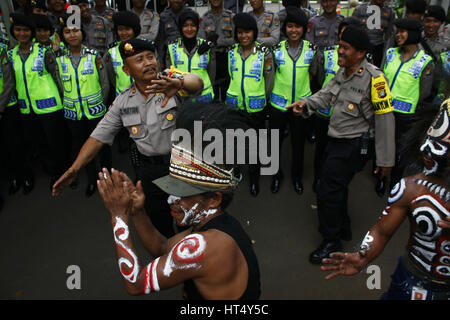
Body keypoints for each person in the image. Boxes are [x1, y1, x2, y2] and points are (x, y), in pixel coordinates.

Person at [96, 102, 261, 300]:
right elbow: (163, 248)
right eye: (172, 188)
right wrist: (137, 212)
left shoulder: (206, 246)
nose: (171, 199)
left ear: (213, 199)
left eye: (184, 194)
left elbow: (136, 284)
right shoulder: (209, 225)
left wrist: (118, 216)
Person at [52, 38, 204, 238]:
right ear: (126, 70)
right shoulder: (123, 102)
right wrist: (75, 168)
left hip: (181, 166)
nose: (148, 63)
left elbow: (197, 84)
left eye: (151, 57)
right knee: (159, 224)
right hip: (149, 172)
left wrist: (180, 82)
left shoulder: (170, 80)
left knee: (190, 222)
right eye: (139, 59)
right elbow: (98, 137)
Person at [321, 99, 450, 300]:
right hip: (411, 279)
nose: (427, 151)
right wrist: (363, 255)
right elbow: (381, 232)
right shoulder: (411, 188)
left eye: (441, 149)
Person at [287, 25, 395, 264]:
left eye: (345, 48)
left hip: (355, 144)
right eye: (340, 46)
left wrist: (386, 160)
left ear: (361, 53)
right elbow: (326, 94)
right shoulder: (343, 71)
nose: (340, 51)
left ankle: (331, 241)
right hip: (337, 140)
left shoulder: (375, 79)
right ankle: (343, 227)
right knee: (337, 185)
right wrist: (306, 103)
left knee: (327, 190)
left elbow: (385, 119)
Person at [9, 12, 67, 194]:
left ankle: (62, 173)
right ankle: (51, 169)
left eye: (26, 30)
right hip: (27, 108)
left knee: (56, 142)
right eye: (18, 30)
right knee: (39, 143)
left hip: (50, 107)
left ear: (31, 33)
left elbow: (58, 78)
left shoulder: (44, 52)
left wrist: (65, 100)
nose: (22, 34)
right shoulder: (11, 55)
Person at [55, 16, 111, 197]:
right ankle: (92, 179)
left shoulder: (94, 56)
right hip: (73, 113)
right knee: (81, 148)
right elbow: (60, 86)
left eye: (75, 30)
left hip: (95, 111)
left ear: (82, 33)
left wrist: (99, 103)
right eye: (67, 32)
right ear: (63, 35)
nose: (72, 35)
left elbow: (105, 85)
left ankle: (107, 179)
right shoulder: (60, 60)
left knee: (101, 147)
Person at [311, 17, 364, 193]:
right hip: (324, 111)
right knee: (321, 149)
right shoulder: (328, 53)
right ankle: (318, 178)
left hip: (345, 121)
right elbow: (319, 79)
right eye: (342, 34)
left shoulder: (362, 61)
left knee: (338, 161)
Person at [382, 18, 435, 190]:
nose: (398, 35)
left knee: (399, 151)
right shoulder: (390, 53)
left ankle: (394, 184)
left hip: (406, 115)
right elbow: (381, 78)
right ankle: (380, 179)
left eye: (402, 32)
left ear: (412, 34)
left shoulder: (425, 61)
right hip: (385, 110)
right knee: (383, 147)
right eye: (397, 31)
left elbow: (425, 92)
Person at [225, 13, 274, 197]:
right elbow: (230, 76)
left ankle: (254, 178)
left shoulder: (264, 53)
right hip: (235, 107)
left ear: (254, 33)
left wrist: (263, 99)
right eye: (240, 32)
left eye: (247, 32)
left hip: (255, 108)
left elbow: (269, 81)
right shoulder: (232, 52)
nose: (243, 36)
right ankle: (235, 172)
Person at [269, 7, 314, 195]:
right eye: (290, 26)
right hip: (278, 104)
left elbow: (313, 75)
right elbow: (270, 76)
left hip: (300, 105)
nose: (293, 30)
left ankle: (296, 177)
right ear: (285, 28)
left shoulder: (311, 51)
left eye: (297, 27)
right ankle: (276, 176)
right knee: (274, 143)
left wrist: (305, 98)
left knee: (298, 144)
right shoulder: (276, 50)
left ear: (303, 29)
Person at [167, 10, 216, 103]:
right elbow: (169, 72)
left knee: (200, 118)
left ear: (197, 27)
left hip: (203, 97)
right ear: (180, 27)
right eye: (185, 25)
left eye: (193, 25)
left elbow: (212, 74)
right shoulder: (172, 47)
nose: (189, 29)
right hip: (180, 97)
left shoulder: (206, 46)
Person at [0, 35, 24, 196]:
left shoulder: (2, 50)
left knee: (13, 145)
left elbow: (9, 81)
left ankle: (21, 176)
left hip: (6, 105)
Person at [198, 0, 234, 102]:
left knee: (226, 88)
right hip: (211, 58)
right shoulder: (205, 18)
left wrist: (218, 42)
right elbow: (201, 39)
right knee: (212, 86)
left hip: (227, 56)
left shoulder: (231, 17)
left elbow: (236, 39)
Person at [105, 10, 141, 97]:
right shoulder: (112, 51)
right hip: (122, 98)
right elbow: (112, 78)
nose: (124, 33)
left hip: (144, 96)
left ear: (134, 30)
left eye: (127, 29)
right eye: (120, 29)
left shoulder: (145, 47)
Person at [352, 0, 395, 68]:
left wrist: (385, 58)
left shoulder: (389, 12)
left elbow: (389, 37)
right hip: (360, 48)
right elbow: (351, 32)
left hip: (378, 49)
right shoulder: (360, 9)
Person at [158, 0, 193, 68]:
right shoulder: (163, 16)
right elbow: (161, 40)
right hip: (169, 56)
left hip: (188, 54)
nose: (176, 1)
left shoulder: (190, 13)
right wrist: (161, 61)